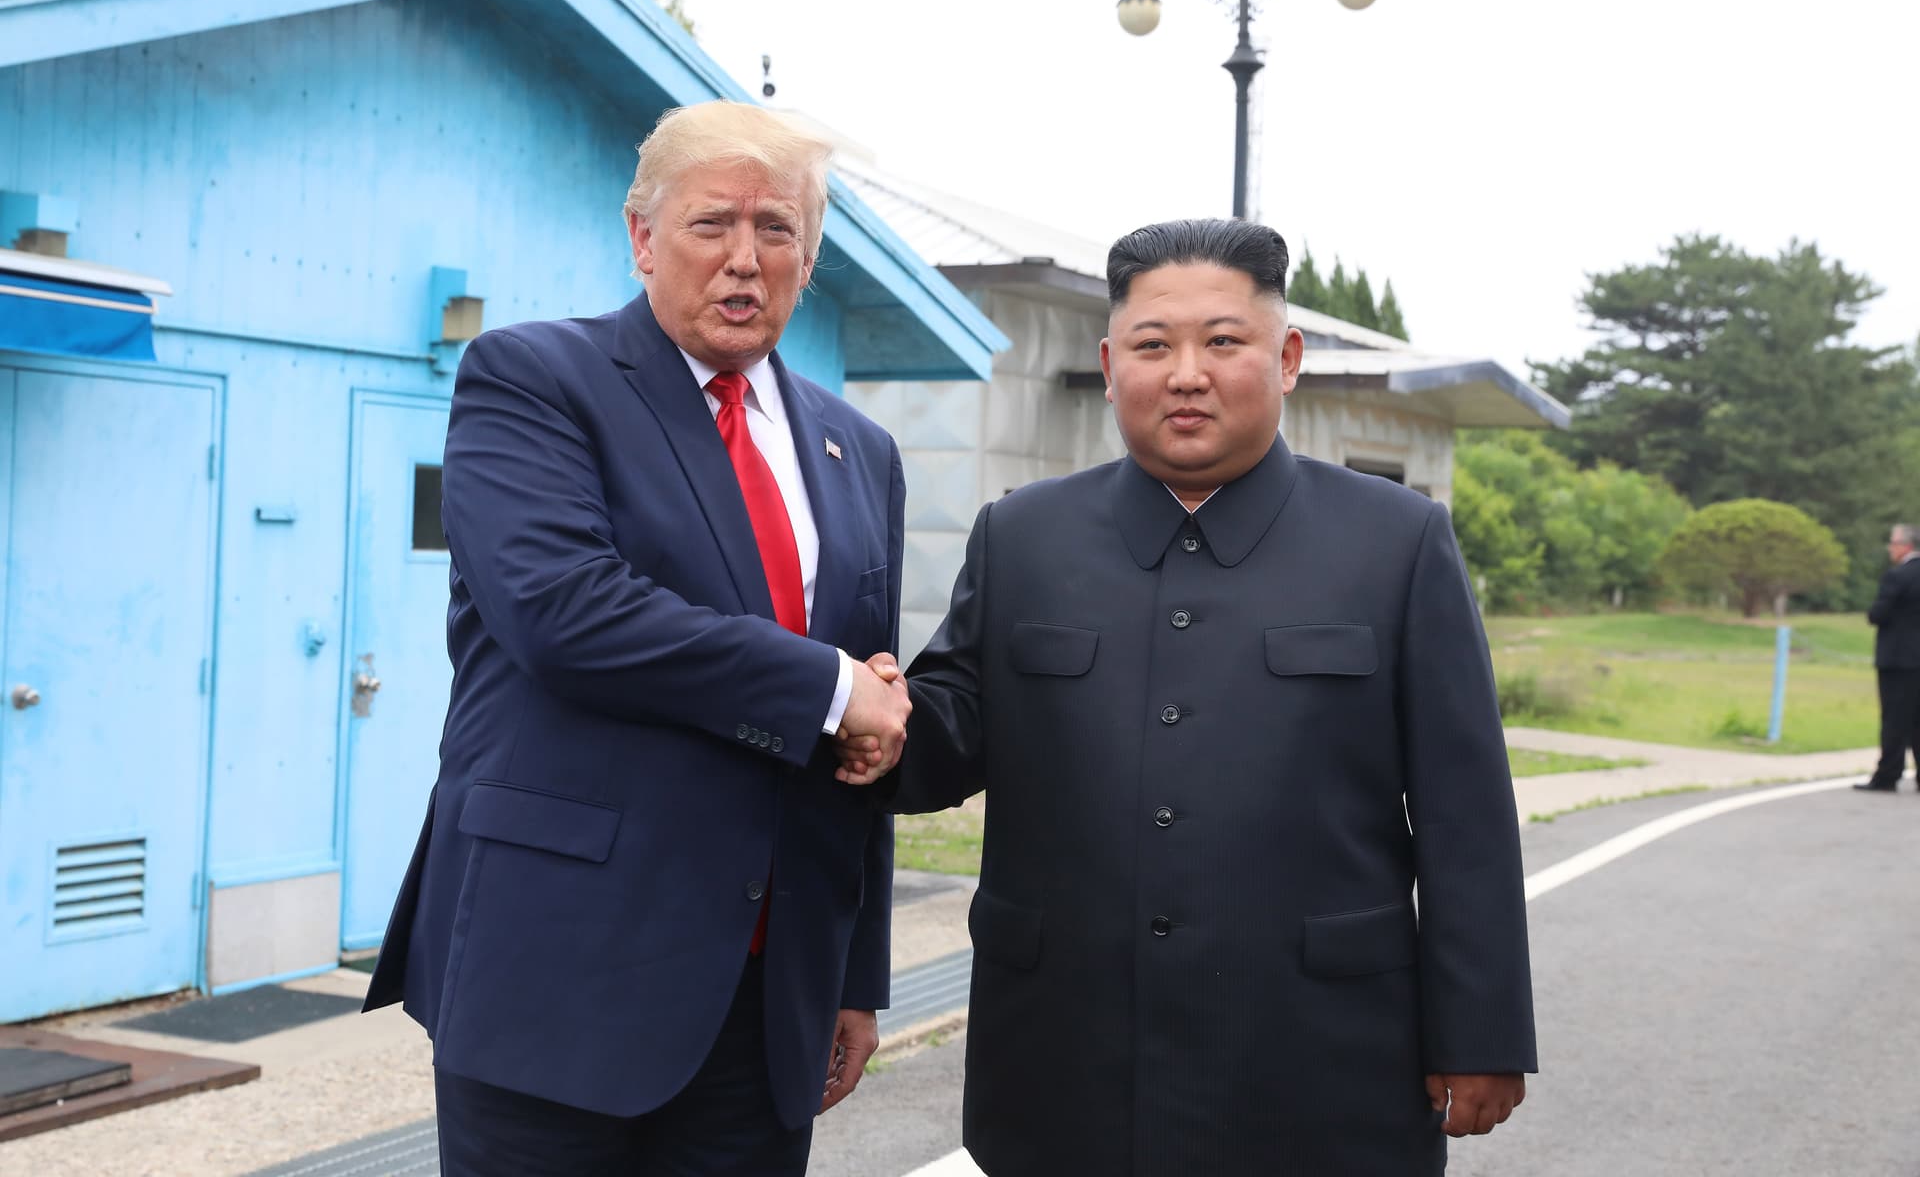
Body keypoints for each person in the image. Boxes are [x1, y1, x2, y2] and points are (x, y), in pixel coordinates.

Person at [878, 218, 1536, 1174]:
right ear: (1110, 366)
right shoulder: (1023, 537)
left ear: (1288, 356)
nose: (1187, 373)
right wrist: (872, 719)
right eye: (1153, 345)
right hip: (1067, 1059)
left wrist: (1483, 1032)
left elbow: (1465, 811)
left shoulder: (1395, 543)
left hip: (1320, 1061)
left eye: (1224, 341)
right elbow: (951, 731)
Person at [363, 100, 911, 1175]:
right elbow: (567, 612)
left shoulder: (862, 449)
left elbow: (863, 730)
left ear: (810, 254)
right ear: (643, 236)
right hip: (558, 968)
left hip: (767, 994)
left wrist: (856, 971)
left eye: (779, 229)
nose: (746, 259)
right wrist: (833, 686)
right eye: (714, 224)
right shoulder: (534, 380)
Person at [1857, 522, 1920, 793]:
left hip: (1898, 658)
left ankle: (1888, 774)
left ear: (1905, 546)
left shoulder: (1897, 577)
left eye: (1893, 544)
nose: (1890, 549)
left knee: (1894, 718)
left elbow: (1877, 614)